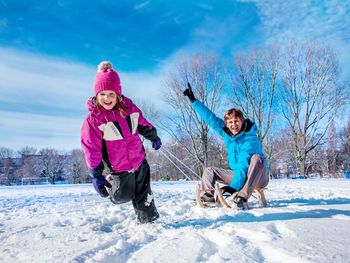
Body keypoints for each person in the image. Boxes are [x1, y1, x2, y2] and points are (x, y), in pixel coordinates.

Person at [81, 61, 162, 223]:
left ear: (118, 94)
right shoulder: (94, 120)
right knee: (121, 196)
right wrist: (96, 175)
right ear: (97, 95)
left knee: (144, 193)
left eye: (111, 94)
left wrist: (153, 136)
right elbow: (92, 149)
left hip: (139, 161)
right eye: (103, 94)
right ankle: (112, 186)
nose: (107, 98)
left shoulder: (129, 109)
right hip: (119, 167)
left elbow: (142, 123)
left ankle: (149, 221)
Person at [183, 83, 269, 209]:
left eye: (236, 121)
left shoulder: (250, 139)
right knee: (209, 170)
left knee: (256, 158)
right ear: (227, 124)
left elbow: (244, 166)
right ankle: (208, 195)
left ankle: (242, 197)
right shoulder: (227, 134)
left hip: (259, 176)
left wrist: (231, 188)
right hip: (239, 175)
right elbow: (211, 119)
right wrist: (194, 100)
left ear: (242, 121)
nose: (233, 125)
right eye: (230, 122)